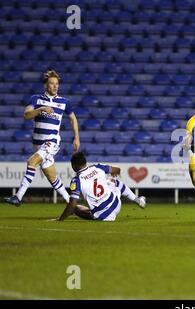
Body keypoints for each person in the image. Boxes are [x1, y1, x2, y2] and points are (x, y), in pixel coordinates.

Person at [5, 70, 80, 206]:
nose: (55, 86)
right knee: (52, 177)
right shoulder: (36, 99)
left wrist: (76, 137)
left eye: (57, 84)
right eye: (52, 83)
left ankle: (18, 196)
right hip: (37, 144)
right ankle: (71, 202)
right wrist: (41, 109)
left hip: (52, 142)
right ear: (45, 85)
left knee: (31, 162)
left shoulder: (64, 102)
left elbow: (73, 119)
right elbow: (26, 115)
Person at [55, 152, 146, 221]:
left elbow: (73, 203)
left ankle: (91, 212)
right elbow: (117, 169)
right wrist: (113, 173)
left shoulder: (76, 180)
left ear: (73, 166)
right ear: (85, 162)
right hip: (116, 204)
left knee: (73, 207)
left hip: (103, 216)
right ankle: (138, 201)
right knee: (114, 182)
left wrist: (61, 219)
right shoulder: (97, 167)